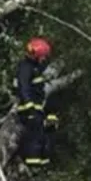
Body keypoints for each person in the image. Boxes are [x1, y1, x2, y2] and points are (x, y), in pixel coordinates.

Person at [16, 37, 55, 169]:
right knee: (34, 140)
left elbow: (38, 92)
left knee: (43, 138)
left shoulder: (34, 68)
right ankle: (32, 169)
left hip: (37, 110)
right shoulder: (26, 68)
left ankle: (40, 168)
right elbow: (24, 88)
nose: (43, 59)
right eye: (42, 56)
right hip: (29, 111)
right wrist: (30, 109)